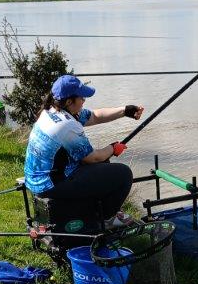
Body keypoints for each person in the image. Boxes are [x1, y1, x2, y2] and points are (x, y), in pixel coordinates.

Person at [23, 75, 145, 225]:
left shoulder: (51, 111)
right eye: (81, 97)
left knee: (103, 164)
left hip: (38, 179)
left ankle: (98, 211)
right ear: (69, 101)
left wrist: (125, 111)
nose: (84, 100)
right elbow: (94, 157)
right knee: (124, 174)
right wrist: (113, 148)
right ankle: (107, 219)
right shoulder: (67, 125)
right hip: (50, 185)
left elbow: (94, 116)